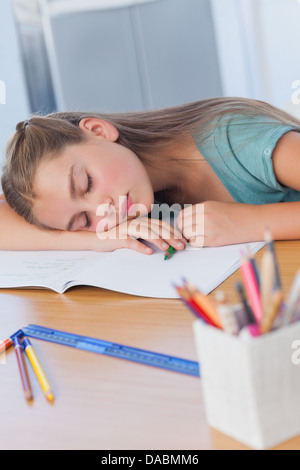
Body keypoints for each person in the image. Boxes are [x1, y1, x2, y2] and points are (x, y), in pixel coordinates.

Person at [1, 96, 300, 255]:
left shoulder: (239, 137)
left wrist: (251, 223)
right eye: (83, 222)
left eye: (87, 184)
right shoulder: (138, 193)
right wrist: (99, 240)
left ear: (98, 131)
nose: (104, 211)